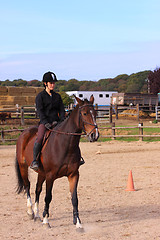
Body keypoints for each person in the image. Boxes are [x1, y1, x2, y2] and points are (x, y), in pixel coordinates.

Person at [30, 71, 65, 171]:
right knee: (40, 137)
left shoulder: (57, 96)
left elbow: (61, 110)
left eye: (54, 83)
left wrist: (61, 120)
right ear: (45, 83)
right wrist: (45, 123)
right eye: (51, 83)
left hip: (57, 123)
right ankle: (35, 160)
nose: (53, 85)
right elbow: (40, 112)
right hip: (45, 123)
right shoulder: (40, 97)